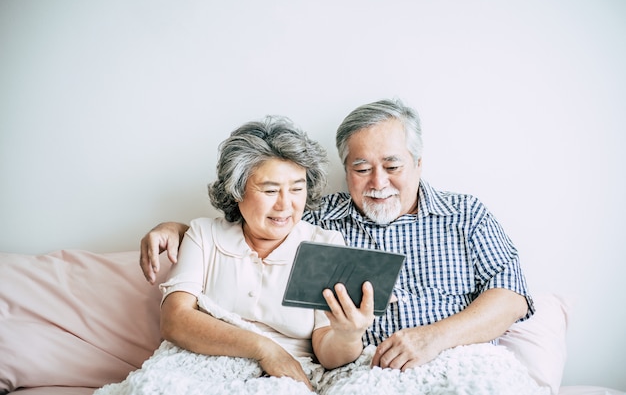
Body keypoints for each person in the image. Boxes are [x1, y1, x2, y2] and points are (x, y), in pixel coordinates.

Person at [140, 98, 534, 373]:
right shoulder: (323, 219)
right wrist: (179, 229)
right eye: (361, 168)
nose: (378, 182)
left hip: (458, 356)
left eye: (392, 165)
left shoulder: (465, 215)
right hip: (370, 369)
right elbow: (259, 216)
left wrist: (433, 339)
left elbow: (512, 296)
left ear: (418, 162)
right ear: (345, 170)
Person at [141, 115, 375, 392]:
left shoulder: (323, 245)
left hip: (287, 378)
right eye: (270, 190)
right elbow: (175, 320)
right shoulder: (204, 235)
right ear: (237, 190)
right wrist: (265, 349)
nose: (285, 205)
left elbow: (328, 352)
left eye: (297, 189)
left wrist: (348, 336)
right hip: (200, 369)